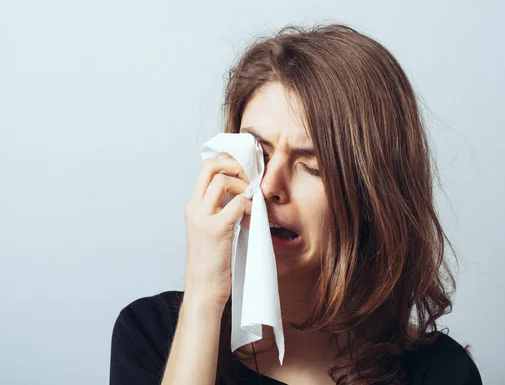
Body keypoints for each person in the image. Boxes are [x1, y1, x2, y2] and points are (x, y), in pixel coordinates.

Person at [109, 23, 483, 385]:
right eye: (258, 153)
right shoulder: (150, 333)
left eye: (312, 167)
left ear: (374, 196)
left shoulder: (442, 373)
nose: (270, 186)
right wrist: (204, 295)